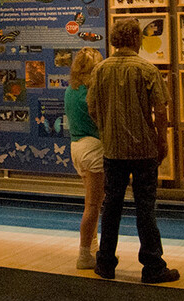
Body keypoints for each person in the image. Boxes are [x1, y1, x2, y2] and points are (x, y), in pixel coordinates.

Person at [87, 18, 179, 284]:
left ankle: (105, 263)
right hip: (143, 150)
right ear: (136, 38)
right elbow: (160, 109)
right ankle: (152, 266)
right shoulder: (147, 69)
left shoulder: (100, 70)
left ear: (116, 39)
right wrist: (162, 141)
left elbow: (92, 107)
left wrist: (106, 129)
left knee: (111, 206)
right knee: (145, 208)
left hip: (113, 151)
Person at [65, 47, 105, 270]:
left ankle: (93, 250)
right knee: (93, 205)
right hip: (93, 148)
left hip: (76, 147)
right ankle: (84, 254)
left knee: (91, 203)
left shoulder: (71, 90)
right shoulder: (91, 93)